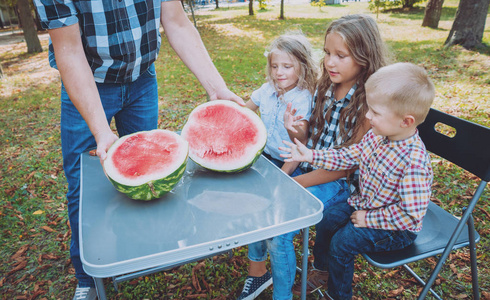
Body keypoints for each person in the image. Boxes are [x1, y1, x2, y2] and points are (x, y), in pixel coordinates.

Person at [32, 1, 243, 299]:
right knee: (83, 187)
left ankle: (143, 251)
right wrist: (101, 131)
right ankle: (88, 278)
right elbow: (68, 50)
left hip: (142, 79)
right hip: (86, 83)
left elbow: (177, 22)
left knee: (149, 175)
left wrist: (216, 86)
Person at [237, 14, 389, 300]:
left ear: (364, 57)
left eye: (341, 56)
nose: (330, 62)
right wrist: (297, 133)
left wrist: (293, 184)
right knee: (260, 204)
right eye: (328, 53)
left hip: (342, 186)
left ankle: (282, 296)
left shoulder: (369, 104)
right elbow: (309, 143)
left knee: (279, 231)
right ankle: (259, 274)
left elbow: (344, 168)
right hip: (311, 168)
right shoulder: (325, 87)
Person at [280, 62, 435, 300]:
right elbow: (349, 155)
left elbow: (410, 215)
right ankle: (322, 271)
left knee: (343, 243)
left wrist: (368, 218)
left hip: (396, 227)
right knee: (328, 217)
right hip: (366, 204)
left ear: (406, 121)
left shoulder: (413, 162)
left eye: (375, 112)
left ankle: (338, 295)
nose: (367, 116)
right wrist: (311, 155)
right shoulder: (377, 135)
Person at [237, 33, 319, 300]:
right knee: (252, 208)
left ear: (302, 67)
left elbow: (298, 149)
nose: (279, 72)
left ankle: (280, 288)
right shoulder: (266, 89)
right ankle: (259, 268)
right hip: (267, 161)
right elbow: (244, 113)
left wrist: (281, 178)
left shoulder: (302, 99)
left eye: (287, 66)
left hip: (290, 166)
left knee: (272, 223)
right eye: (275, 66)